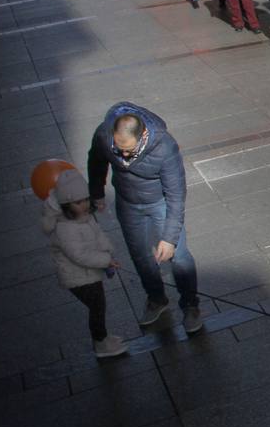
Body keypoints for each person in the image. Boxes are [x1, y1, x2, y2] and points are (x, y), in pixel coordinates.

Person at [86, 103, 203, 334]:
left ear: (144, 135)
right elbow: (96, 160)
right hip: (128, 203)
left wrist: (168, 239)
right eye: (118, 149)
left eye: (129, 150)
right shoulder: (103, 135)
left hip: (159, 203)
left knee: (178, 256)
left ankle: (190, 305)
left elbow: (176, 196)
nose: (124, 156)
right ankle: (157, 298)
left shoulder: (164, 146)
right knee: (140, 255)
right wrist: (97, 193)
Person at [40, 166, 128, 358]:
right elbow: (79, 255)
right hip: (78, 277)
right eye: (78, 202)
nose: (85, 205)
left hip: (89, 273)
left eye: (86, 200)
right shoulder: (65, 228)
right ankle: (100, 343)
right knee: (97, 307)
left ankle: (103, 337)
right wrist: (105, 260)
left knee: (99, 305)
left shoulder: (83, 216)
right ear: (66, 204)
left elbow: (97, 234)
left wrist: (107, 252)